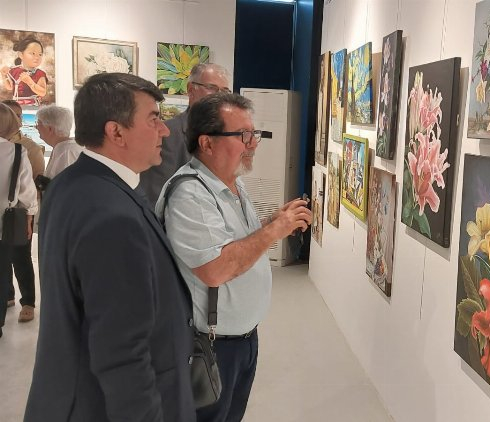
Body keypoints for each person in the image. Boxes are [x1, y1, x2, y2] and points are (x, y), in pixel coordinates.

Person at [25, 73, 195, 421]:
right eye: (153, 119)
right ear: (116, 132)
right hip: (99, 405)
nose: (164, 131)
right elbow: (121, 351)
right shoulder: (112, 215)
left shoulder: (73, 183)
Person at [156, 92, 311, 422]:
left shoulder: (231, 185)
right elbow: (215, 269)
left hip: (242, 340)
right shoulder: (190, 194)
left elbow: (236, 243)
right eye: (243, 135)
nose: (253, 143)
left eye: (254, 134)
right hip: (210, 346)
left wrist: (269, 224)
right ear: (207, 143)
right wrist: (274, 231)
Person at [139, 63, 231, 207]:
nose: (219, 96)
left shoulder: (225, 136)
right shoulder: (167, 134)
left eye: (225, 91)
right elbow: (156, 199)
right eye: (211, 88)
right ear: (191, 89)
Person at [1, 99, 42, 319]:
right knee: (14, 260)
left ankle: (25, 301)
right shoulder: (16, 150)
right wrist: (29, 216)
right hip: (11, 215)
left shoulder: (26, 147)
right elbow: (27, 190)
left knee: (19, 259)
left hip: (10, 217)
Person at [36, 105, 83, 181]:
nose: (36, 127)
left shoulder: (66, 152)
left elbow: (64, 185)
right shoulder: (66, 148)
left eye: (38, 123)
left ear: (50, 129)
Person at [1, 37, 48, 106]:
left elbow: (43, 92)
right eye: (33, 53)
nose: (37, 57)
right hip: (16, 105)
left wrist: (30, 82)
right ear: (21, 55)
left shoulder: (40, 73)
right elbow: (10, 87)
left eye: (40, 54)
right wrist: (4, 75)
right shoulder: (14, 70)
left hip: (33, 105)